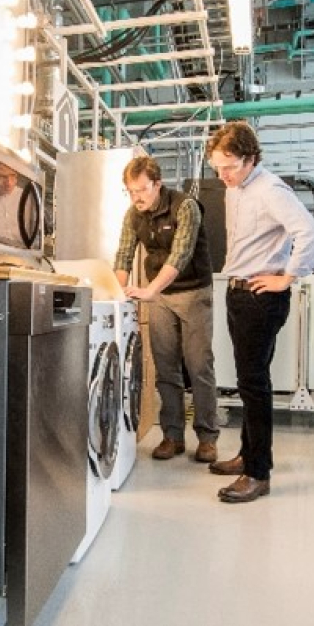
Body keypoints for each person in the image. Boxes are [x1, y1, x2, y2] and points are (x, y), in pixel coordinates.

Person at [205, 121, 314, 504]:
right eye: (217, 168)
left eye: (230, 167)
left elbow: (309, 231)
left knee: (254, 386)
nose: (223, 175)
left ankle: (259, 473)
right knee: (246, 381)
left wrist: (286, 278)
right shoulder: (236, 188)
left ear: (251, 158)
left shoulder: (270, 188)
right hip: (239, 292)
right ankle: (247, 455)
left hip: (260, 297)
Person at [113, 155, 219, 465]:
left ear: (158, 184)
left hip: (194, 292)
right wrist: (117, 291)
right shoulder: (134, 214)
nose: (136, 198)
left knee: (199, 367)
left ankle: (207, 438)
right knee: (165, 369)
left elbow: (180, 255)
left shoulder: (184, 206)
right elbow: (123, 255)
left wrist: (149, 289)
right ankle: (172, 436)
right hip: (159, 295)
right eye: (130, 191)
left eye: (142, 190)